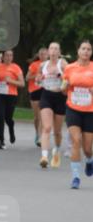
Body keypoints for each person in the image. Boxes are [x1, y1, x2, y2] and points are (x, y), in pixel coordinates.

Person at [62, 40, 93, 189]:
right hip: (73, 108)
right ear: (78, 51)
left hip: (90, 112)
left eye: (88, 49)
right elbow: (63, 89)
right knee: (76, 140)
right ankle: (75, 177)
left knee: (87, 148)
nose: (86, 51)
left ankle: (89, 160)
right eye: (83, 49)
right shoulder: (69, 68)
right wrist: (65, 87)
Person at [38, 41, 68, 169]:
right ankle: (44, 156)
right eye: (51, 48)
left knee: (57, 132)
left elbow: (69, 79)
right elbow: (38, 79)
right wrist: (38, 79)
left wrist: (60, 75)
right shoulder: (42, 65)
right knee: (47, 127)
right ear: (48, 52)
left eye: (56, 49)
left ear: (59, 52)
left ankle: (56, 150)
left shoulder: (63, 64)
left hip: (60, 97)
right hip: (46, 96)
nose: (54, 51)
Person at [0, 50, 25, 149]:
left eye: (11, 55)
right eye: (7, 55)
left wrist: (11, 81)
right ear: (3, 57)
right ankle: (1, 141)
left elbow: (22, 84)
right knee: (0, 117)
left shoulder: (16, 68)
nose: (9, 57)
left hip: (11, 95)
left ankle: (11, 127)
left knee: (8, 118)